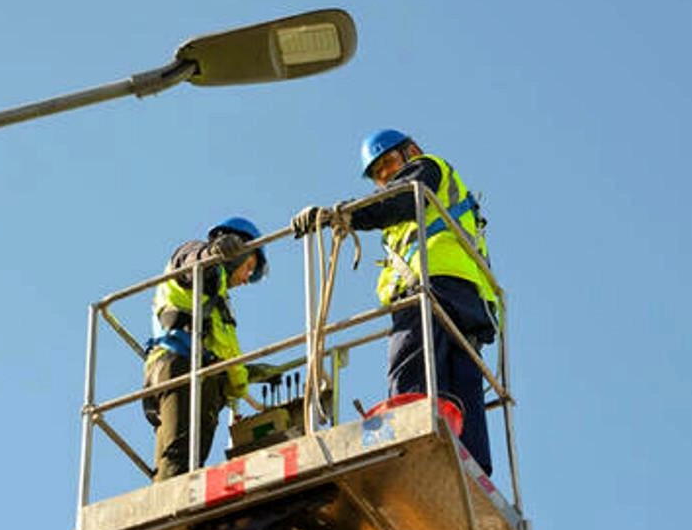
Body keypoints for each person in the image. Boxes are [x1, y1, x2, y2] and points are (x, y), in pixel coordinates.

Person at [291, 129, 497, 475]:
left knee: (411, 363)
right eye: (377, 173)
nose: (385, 176)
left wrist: (341, 215)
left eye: (387, 163)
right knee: (458, 383)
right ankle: (474, 467)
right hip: (466, 296)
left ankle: (409, 441)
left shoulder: (426, 170)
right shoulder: (420, 209)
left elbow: (400, 201)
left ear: (411, 151)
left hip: (434, 286)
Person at [143, 217, 279, 482]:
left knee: (183, 461)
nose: (246, 276)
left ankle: (169, 510)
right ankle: (174, 516)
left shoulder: (218, 300)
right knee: (180, 460)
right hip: (180, 366)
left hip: (200, 375)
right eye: (248, 265)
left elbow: (222, 352)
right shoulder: (201, 266)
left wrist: (247, 374)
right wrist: (214, 252)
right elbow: (190, 261)